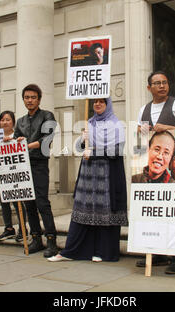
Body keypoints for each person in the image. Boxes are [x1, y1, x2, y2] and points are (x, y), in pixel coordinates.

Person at [48, 98, 128, 262]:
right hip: (88, 173)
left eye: (102, 102)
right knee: (82, 210)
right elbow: (79, 148)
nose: (97, 104)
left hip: (107, 175)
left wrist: (95, 152)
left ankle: (102, 251)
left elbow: (117, 150)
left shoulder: (116, 125)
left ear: (108, 105)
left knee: (104, 211)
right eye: (95, 102)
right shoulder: (90, 123)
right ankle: (72, 251)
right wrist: (82, 138)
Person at [135, 70, 175, 273]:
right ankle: (157, 254)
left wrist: (165, 127)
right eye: (157, 83)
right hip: (152, 170)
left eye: (165, 82)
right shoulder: (143, 109)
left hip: (172, 167)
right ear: (149, 87)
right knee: (154, 212)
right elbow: (141, 140)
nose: (162, 86)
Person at [13, 84, 58, 257]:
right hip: (23, 165)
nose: (30, 100)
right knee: (28, 203)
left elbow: (48, 138)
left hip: (39, 164)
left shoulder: (47, 115)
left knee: (42, 202)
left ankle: (51, 240)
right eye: (26, 97)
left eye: (33, 97)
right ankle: (36, 239)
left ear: (39, 99)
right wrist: (14, 141)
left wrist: (27, 145)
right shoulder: (21, 121)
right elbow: (17, 140)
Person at [0, 110, 28, 242]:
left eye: (7, 119)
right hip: (0, 174)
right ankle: (8, 229)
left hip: (14, 174)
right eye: (2, 120)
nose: (5, 122)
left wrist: (14, 141)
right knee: (4, 203)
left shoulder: (17, 135)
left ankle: (23, 229)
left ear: (13, 121)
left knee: (17, 202)